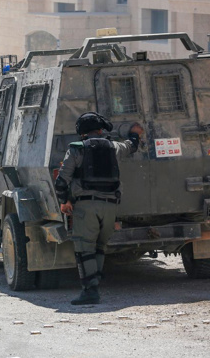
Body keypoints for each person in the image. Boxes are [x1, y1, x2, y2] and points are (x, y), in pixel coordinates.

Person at [55, 112, 143, 305]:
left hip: (87, 206)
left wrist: (64, 201)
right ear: (100, 130)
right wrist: (135, 133)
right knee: (99, 247)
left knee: (83, 247)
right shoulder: (114, 147)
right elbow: (132, 146)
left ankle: (90, 290)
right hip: (110, 206)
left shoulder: (76, 149)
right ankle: (95, 282)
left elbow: (61, 181)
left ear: (82, 132)